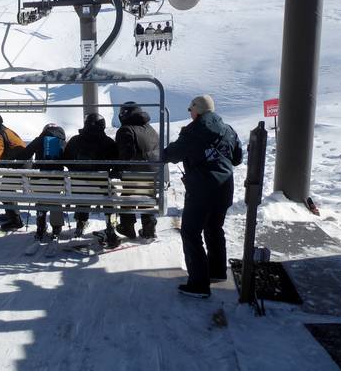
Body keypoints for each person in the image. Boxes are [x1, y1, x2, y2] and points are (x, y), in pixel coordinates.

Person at [163, 95, 242, 298]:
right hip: (224, 189)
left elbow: (171, 155)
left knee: (190, 233)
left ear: (197, 111)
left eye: (191, 110)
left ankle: (199, 284)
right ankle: (217, 271)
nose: (190, 114)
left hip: (201, 191)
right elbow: (237, 159)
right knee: (214, 228)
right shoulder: (228, 130)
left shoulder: (193, 132)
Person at [63, 113, 119, 240]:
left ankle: (80, 223)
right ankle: (111, 224)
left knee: (83, 189)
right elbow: (116, 162)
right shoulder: (108, 142)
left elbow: (66, 160)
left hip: (78, 189)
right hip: (101, 188)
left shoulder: (74, 141)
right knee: (112, 193)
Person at [115, 102, 159, 241]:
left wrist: (116, 169)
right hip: (153, 174)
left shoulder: (126, 130)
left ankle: (127, 227)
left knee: (127, 194)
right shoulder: (150, 128)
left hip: (135, 175)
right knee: (146, 193)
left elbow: (126, 156)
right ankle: (149, 228)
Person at [22, 123, 67, 240]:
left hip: (38, 181)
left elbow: (25, 154)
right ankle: (56, 228)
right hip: (56, 182)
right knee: (55, 201)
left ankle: (41, 227)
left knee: (41, 199)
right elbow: (69, 160)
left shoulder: (39, 139)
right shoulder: (62, 141)